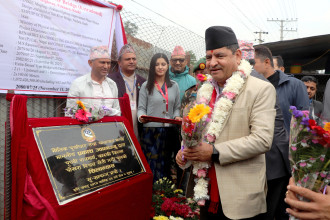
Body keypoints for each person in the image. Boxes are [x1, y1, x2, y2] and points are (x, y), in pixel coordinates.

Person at [176, 26, 276, 219]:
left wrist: (214, 151)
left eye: (220, 56)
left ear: (238, 55)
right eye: (208, 57)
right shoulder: (204, 91)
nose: (212, 63)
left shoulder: (261, 89)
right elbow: (197, 132)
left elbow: (262, 140)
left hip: (240, 195)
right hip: (204, 191)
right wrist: (186, 150)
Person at [239, 40, 291, 220]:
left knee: (264, 213)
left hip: (270, 160)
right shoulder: (247, 78)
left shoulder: (253, 82)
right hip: (268, 159)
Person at [138, 53, 181, 182]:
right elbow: (141, 108)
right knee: (151, 164)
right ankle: (150, 193)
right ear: (152, 67)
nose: (160, 67)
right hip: (151, 132)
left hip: (169, 132)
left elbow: (177, 107)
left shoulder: (174, 86)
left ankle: (164, 195)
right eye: (157, 64)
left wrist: (177, 117)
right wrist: (141, 117)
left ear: (168, 66)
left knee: (166, 164)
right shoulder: (146, 86)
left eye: (163, 64)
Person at [254, 45, 309, 133]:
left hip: (284, 144)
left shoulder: (295, 85)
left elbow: (304, 119)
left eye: (253, 63)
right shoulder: (252, 86)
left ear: (267, 62)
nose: (249, 67)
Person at [66, 46, 120, 115]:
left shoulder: (112, 84)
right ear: (90, 63)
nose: (106, 66)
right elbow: (70, 113)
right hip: (86, 126)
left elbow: (117, 111)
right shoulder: (78, 84)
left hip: (110, 125)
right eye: (102, 62)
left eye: (108, 63)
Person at [108, 44, 146, 138]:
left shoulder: (143, 82)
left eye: (134, 59)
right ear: (119, 62)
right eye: (128, 59)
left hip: (139, 127)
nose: (131, 61)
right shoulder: (111, 80)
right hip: (118, 128)